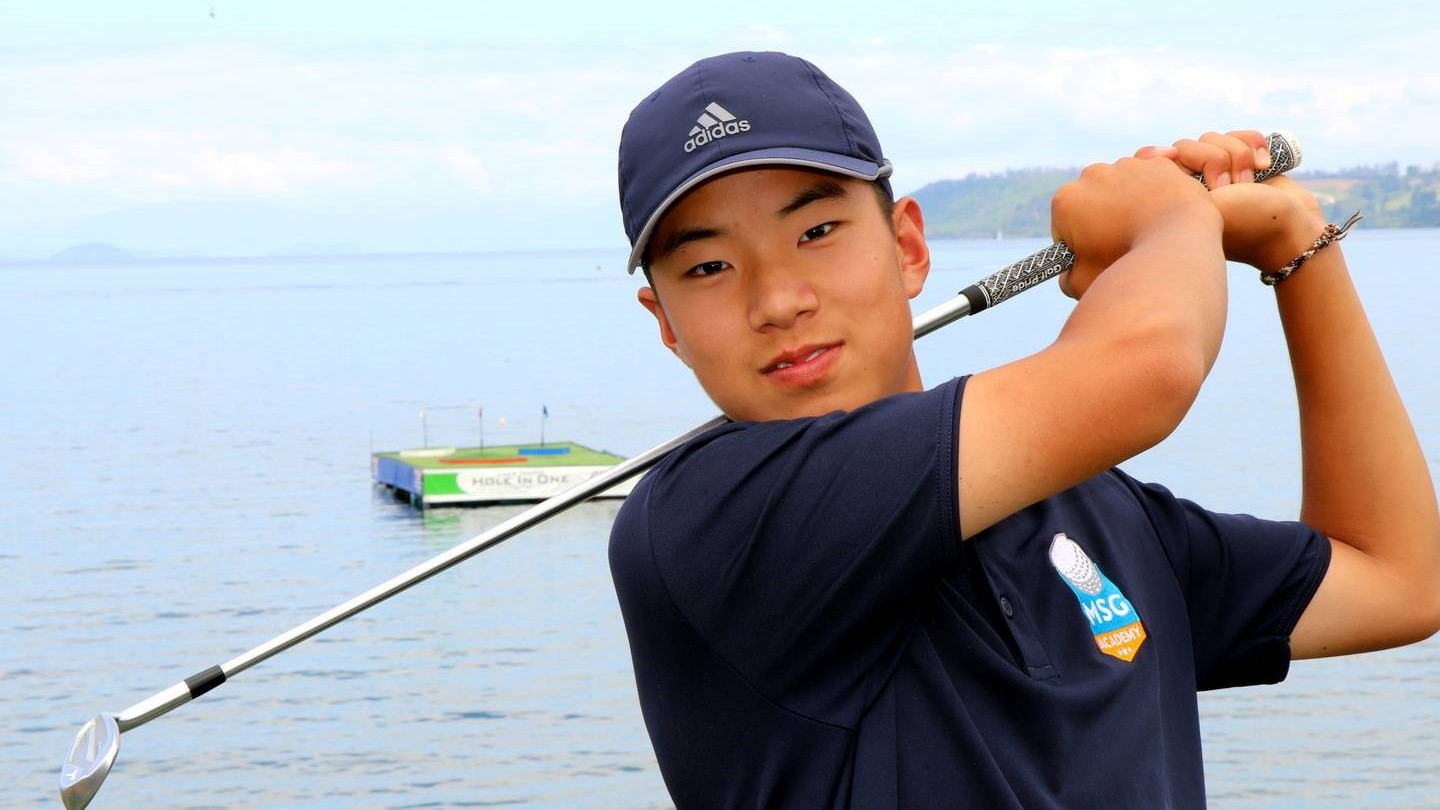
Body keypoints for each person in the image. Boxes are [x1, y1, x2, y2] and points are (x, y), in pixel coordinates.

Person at [607, 50, 1440, 808]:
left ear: (907, 248)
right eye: (709, 266)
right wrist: (1171, 218)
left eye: (817, 231)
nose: (778, 299)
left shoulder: (1097, 512)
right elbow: (1147, 370)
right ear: (666, 321)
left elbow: (1401, 581)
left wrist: (1298, 243)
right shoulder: (703, 521)